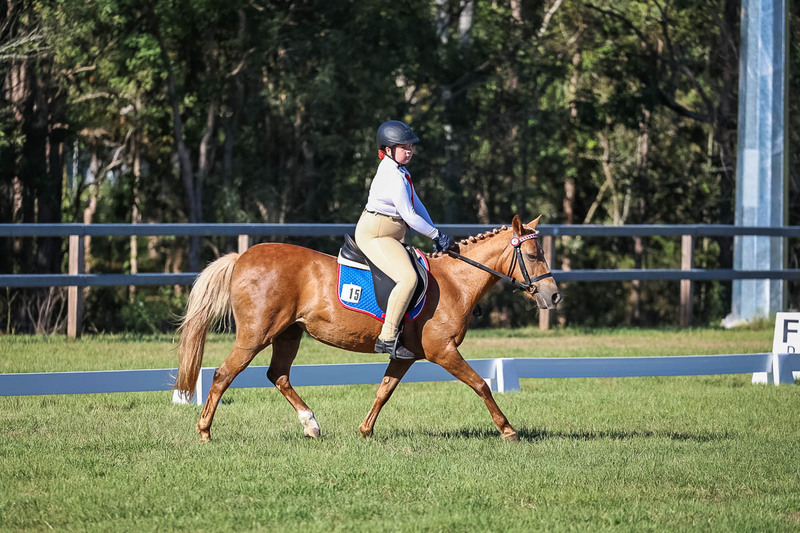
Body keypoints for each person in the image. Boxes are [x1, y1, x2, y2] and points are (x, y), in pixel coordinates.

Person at [355, 120, 453, 360]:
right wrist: (434, 235)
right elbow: (409, 215)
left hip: (390, 232)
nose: (409, 150)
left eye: (410, 146)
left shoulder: (401, 170)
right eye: (403, 147)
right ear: (388, 149)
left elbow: (417, 204)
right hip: (376, 233)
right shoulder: (392, 174)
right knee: (408, 279)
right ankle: (387, 337)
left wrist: (434, 230)